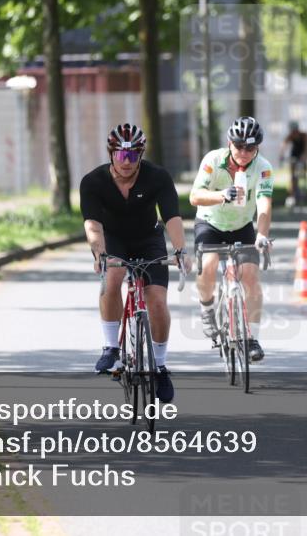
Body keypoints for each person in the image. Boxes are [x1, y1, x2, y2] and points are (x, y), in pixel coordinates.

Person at [80, 123, 188, 403]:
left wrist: (180, 250)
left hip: (148, 238)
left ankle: (160, 365)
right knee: (112, 279)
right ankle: (110, 348)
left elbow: (172, 217)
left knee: (157, 302)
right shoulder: (93, 182)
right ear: (111, 154)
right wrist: (100, 254)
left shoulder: (158, 177)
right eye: (120, 156)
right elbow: (92, 224)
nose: (126, 162)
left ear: (141, 155)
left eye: (132, 156)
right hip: (112, 239)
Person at [190, 116, 274, 362]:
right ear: (229, 143)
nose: (244, 152)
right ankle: (207, 309)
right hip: (210, 223)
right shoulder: (213, 161)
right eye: (239, 146)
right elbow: (195, 196)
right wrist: (221, 195)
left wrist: (262, 235)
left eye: (251, 148)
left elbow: (264, 203)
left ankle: (251, 339)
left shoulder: (264, 167)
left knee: (250, 276)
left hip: (241, 226)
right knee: (209, 264)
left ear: (257, 147)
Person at [279, 121, 307, 207]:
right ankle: (292, 195)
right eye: (292, 132)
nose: (294, 133)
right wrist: (281, 156)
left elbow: (306, 148)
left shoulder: (304, 135)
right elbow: (284, 145)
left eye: (295, 131)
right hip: (294, 155)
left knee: (303, 171)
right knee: (292, 177)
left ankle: (304, 189)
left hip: (303, 154)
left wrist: (304, 158)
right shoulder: (290, 136)